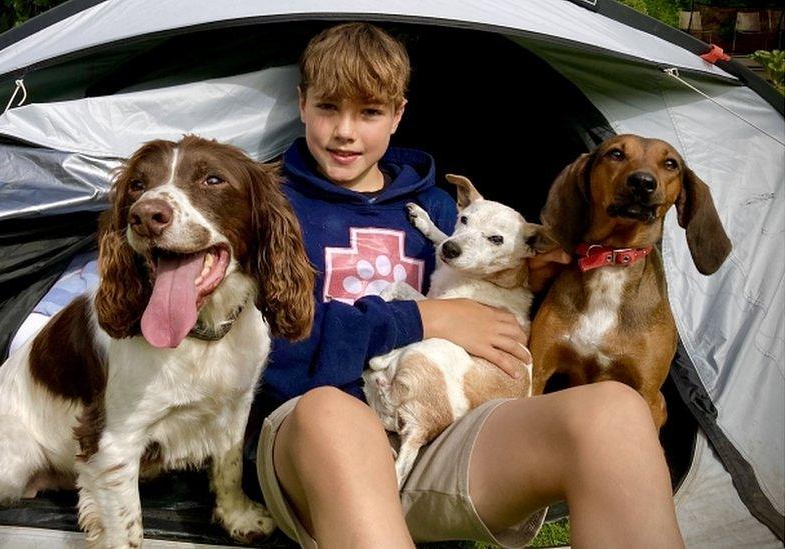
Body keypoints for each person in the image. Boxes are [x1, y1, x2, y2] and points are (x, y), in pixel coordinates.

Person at [251, 22, 684, 549]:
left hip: (439, 436)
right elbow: (259, 352)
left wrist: (531, 282)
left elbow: (502, 318)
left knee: (616, 410)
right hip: (315, 445)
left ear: (398, 115)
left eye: (369, 113)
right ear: (301, 104)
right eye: (327, 108)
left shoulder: (444, 211)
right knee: (333, 414)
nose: (346, 131)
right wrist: (423, 318)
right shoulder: (264, 207)